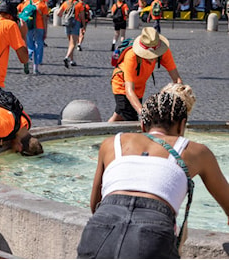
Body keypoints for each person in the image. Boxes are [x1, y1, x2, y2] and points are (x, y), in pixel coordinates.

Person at [77, 87, 229, 258]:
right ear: (182, 125)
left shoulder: (112, 143)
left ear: (142, 124)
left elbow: (95, 204)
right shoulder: (196, 151)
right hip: (153, 232)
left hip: (101, 226)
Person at [108, 27, 182, 122]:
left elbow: (177, 79)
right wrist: (143, 113)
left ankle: (102, 134)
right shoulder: (131, 55)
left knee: (119, 116)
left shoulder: (163, 51)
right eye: (148, 55)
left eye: (154, 54)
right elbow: (129, 90)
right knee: (131, 119)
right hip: (122, 85)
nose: (151, 57)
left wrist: (180, 101)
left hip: (139, 87)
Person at [22, 0, 49, 75]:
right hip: (39, 27)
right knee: (39, 45)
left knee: (29, 44)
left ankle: (29, 55)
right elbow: (44, 19)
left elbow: (22, 15)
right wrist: (45, 31)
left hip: (29, 27)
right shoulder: (43, 5)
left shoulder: (26, 3)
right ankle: (35, 67)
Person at [57, 0, 86, 68]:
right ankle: (66, 57)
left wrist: (65, 16)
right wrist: (84, 26)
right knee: (73, 43)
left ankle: (72, 60)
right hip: (75, 23)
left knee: (70, 43)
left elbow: (58, 13)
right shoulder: (79, 4)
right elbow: (82, 16)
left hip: (67, 23)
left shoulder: (66, 3)